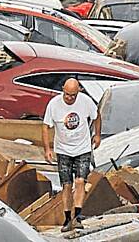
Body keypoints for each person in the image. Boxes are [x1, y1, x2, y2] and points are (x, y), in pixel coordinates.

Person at [42, 78, 101, 233]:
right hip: (63, 150)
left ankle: (77, 216)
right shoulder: (54, 104)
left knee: (80, 181)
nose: (69, 98)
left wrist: (97, 135)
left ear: (78, 92)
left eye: (73, 95)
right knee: (67, 185)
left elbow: (97, 116)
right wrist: (47, 148)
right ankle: (68, 217)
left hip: (82, 148)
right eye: (67, 94)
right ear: (63, 89)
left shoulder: (86, 102)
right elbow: (45, 127)